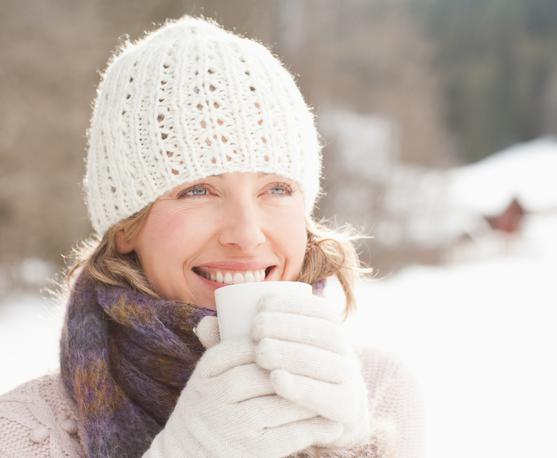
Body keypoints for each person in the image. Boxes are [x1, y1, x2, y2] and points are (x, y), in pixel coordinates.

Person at [0, 16, 424, 457]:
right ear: (126, 228)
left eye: (276, 188)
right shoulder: (22, 435)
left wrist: (353, 448)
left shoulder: (378, 395)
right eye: (197, 190)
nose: (246, 234)